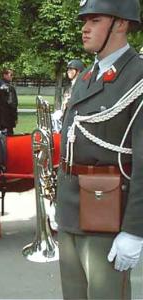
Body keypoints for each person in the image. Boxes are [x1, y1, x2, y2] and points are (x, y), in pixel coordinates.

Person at [56, 0, 143, 298]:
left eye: (94, 20)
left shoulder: (137, 77)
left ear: (120, 23)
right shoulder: (86, 77)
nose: (85, 28)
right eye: (84, 20)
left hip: (108, 214)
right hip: (71, 211)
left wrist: (134, 229)